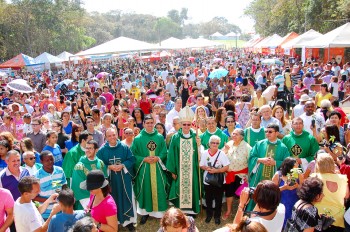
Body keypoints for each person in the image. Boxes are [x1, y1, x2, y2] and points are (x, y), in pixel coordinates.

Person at [96, 128, 136, 231]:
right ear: (106, 137)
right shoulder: (102, 150)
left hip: (124, 178)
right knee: (112, 199)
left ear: (117, 135)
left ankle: (128, 221)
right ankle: (114, 222)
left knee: (126, 197)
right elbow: (98, 164)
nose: (112, 137)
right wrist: (108, 167)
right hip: (110, 180)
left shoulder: (124, 147)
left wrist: (123, 165)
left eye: (114, 135)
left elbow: (132, 159)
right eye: (109, 136)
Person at [131, 116, 168, 224]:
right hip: (144, 169)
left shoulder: (160, 137)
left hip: (157, 168)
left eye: (152, 123)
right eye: (147, 123)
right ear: (143, 124)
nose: (150, 125)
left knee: (159, 188)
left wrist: (158, 157)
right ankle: (145, 213)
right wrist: (144, 159)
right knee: (145, 189)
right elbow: (133, 155)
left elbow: (164, 151)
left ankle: (159, 213)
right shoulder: (138, 139)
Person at [166, 106, 201, 216]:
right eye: (184, 124)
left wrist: (199, 145)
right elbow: (171, 154)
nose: (186, 126)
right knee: (180, 189)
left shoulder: (195, 137)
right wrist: (172, 171)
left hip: (192, 170)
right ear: (180, 125)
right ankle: (181, 210)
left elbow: (199, 155)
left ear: (191, 125)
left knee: (192, 188)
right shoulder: (176, 137)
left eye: (188, 124)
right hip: (179, 170)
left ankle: (191, 211)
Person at [247, 123, 290, 201]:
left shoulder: (283, 147)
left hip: (274, 176)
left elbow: (288, 163)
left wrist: (276, 163)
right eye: (266, 131)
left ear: (277, 133)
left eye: (270, 132)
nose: (267, 133)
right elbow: (251, 157)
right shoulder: (260, 144)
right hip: (259, 175)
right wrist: (260, 160)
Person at [311, 153, 349, 231]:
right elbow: (347, 195)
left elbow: (310, 197)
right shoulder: (342, 178)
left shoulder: (314, 178)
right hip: (338, 218)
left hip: (319, 217)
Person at [200, 135, 230, 225]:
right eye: (213, 142)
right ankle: (209, 215)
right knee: (208, 198)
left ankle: (217, 216)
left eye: (217, 143)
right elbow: (201, 165)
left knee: (218, 199)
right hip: (208, 180)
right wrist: (207, 168)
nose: (215, 144)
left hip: (219, 180)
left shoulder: (222, 154)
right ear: (209, 143)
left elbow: (226, 167)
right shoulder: (205, 153)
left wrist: (216, 170)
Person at [222, 129, 251, 221]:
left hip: (242, 175)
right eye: (233, 133)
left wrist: (248, 176)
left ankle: (241, 212)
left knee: (241, 195)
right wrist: (225, 150)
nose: (234, 135)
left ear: (242, 137)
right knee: (229, 193)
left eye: (236, 134)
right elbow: (221, 156)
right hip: (229, 174)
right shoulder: (229, 143)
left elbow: (251, 162)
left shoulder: (247, 147)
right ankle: (229, 210)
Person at [71, 140, 106, 210]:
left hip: (101, 199)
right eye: (86, 148)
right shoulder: (80, 166)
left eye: (90, 148)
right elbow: (78, 187)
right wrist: (90, 204)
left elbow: (104, 181)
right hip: (86, 202)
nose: (87, 150)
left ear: (96, 150)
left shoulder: (101, 163)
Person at [34, 151, 67, 220]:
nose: (50, 162)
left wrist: (63, 197)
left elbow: (64, 185)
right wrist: (49, 200)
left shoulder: (60, 170)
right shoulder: (37, 176)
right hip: (45, 214)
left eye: (51, 159)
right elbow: (34, 197)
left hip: (60, 211)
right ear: (41, 162)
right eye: (47, 160)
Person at [271, 157, 302, 226]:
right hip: (280, 206)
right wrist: (284, 187)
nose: (297, 168)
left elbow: (304, 189)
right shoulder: (278, 175)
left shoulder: (299, 175)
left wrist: (298, 186)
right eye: (295, 166)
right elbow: (271, 191)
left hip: (294, 206)